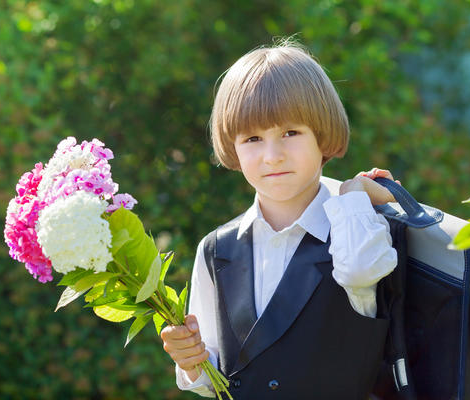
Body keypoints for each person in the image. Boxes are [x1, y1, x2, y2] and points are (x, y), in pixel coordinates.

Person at [160, 40, 399, 399]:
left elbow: (359, 272)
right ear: (234, 149)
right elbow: (218, 375)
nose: (272, 156)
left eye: (290, 133)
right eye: (253, 138)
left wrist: (352, 197)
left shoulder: (356, 224)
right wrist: (191, 361)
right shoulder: (216, 249)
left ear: (323, 136)